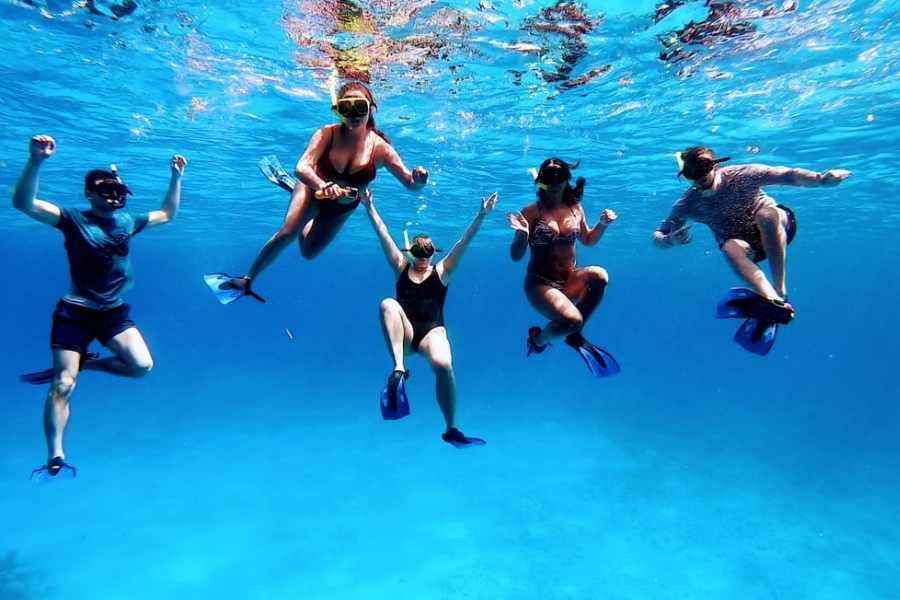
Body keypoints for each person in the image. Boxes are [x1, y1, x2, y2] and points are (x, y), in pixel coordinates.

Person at [13, 134, 187, 479]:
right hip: (74, 313)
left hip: (113, 313)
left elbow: (167, 214)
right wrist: (36, 160)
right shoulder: (72, 219)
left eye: (119, 191)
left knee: (141, 367)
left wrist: (176, 178)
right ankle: (56, 454)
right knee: (63, 385)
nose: (114, 196)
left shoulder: (128, 222)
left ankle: (87, 365)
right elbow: (24, 204)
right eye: (106, 190)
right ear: (89, 193)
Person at [206, 81, 428, 303]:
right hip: (312, 189)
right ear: (338, 111)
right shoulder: (326, 134)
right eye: (345, 108)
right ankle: (248, 279)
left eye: (359, 107)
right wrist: (322, 186)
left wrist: (418, 180)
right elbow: (302, 167)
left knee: (308, 253)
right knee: (288, 232)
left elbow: (410, 184)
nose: (353, 115)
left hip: (341, 207)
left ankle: (296, 196)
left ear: (371, 108)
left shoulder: (381, 149)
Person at [653, 146, 850, 354]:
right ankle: (772, 300)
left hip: (779, 228)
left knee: (766, 216)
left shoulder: (742, 175)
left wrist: (820, 179)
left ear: (715, 165)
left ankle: (780, 291)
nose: (699, 179)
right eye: (691, 175)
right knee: (729, 247)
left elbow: (788, 175)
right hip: (747, 246)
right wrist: (670, 240)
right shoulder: (688, 203)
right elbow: (658, 236)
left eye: (702, 169)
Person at [362, 189, 497, 448]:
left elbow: (463, 243)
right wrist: (369, 207)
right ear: (411, 251)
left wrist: (481, 216)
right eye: (418, 251)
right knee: (387, 304)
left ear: (433, 253)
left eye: (427, 252)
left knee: (444, 365)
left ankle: (451, 428)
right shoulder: (400, 267)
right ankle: (399, 369)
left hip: (431, 334)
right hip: (406, 335)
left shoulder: (442, 271)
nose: (422, 257)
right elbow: (384, 236)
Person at [508, 158, 620, 376]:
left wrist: (603, 224)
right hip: (540, 285)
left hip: (569, 282)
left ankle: (574, 334)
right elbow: (515, 256)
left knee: (600, 275)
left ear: (567, 179)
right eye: (549, 177)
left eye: (559, 176)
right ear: (542, 181)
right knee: (572, 320)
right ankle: (538, 340)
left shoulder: (575, 208)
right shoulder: (531, 213)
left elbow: (587, 240)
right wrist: (522, 236)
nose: (555, 181)